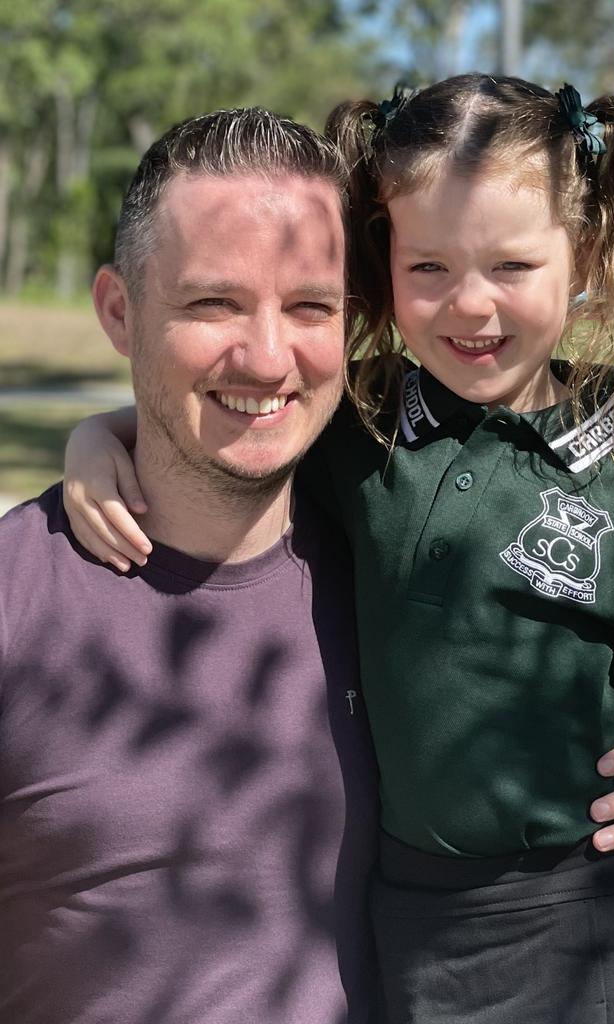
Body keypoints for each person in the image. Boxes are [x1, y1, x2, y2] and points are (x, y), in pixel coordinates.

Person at [60, 88, 614, 1020]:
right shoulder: (367, 444)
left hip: (582, 928)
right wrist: (102, 434)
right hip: (424, 957)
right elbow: (220, 418)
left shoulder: (613, 464)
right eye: (431, 265)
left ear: (582, 261)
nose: (472, 301)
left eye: (511, 262)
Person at [0, 108, 381, 1024]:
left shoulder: (408, 579)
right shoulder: (14, 603)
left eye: (309, 306)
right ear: (119, 313)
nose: (266, 356)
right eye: (213, 303)